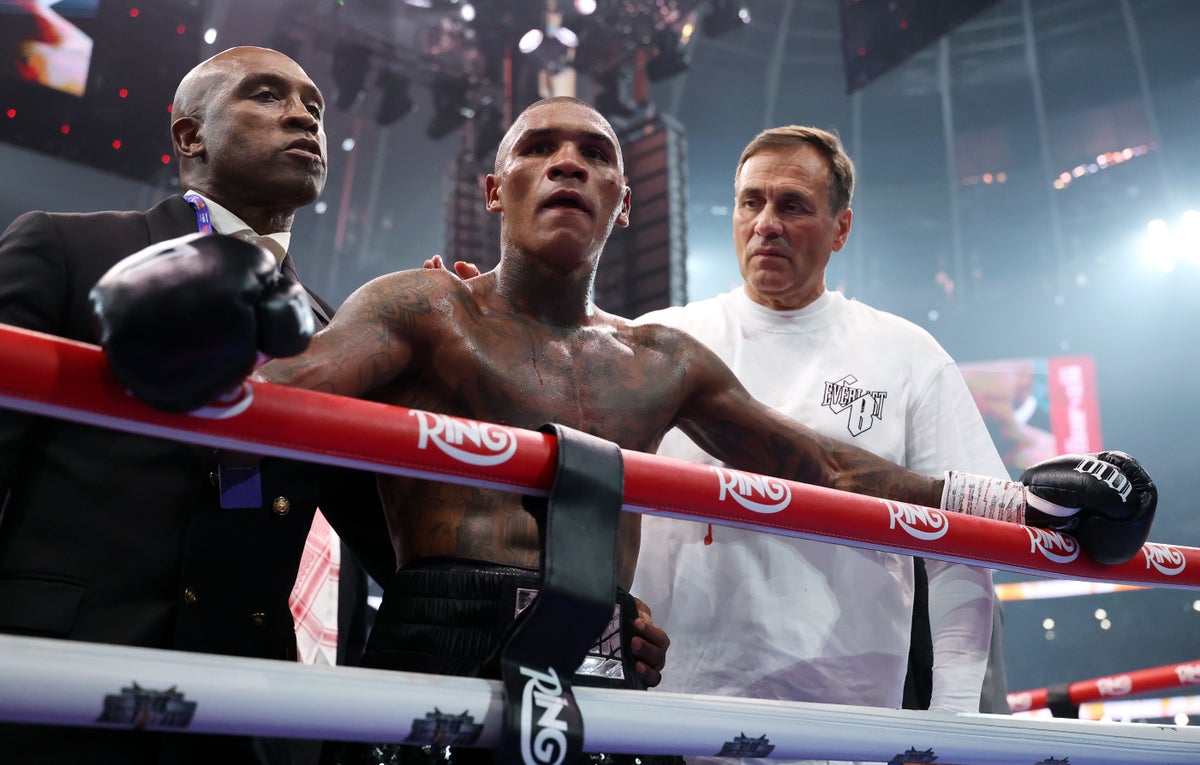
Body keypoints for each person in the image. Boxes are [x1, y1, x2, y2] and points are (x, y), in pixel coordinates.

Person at [92, 97, 1156, 764]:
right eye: (539, 148)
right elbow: (293, 391)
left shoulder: (665, 361)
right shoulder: (423, 306)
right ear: (496, 185)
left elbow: (819, 464)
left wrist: (1022, 503)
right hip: (436, 631)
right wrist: (217, 322)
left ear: (623, 202)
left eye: (593, 153)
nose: (567, 163)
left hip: (607, 649)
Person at [0, 46, 396, 765]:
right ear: (189, 135)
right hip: (53, 679)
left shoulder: (335, 333)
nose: (304, 116)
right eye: (268, 96)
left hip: (238, 708)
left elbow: (389, 536)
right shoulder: (67, 246)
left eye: (314, 104)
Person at [625, 126, 1012, 763]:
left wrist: (953, 721)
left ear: (840, 227)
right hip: (669, 708)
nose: (766, 223)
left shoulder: (908, 355)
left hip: (844, 717)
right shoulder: (658, 340)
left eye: (793, 205)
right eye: (751, 202)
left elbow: (965, 545)